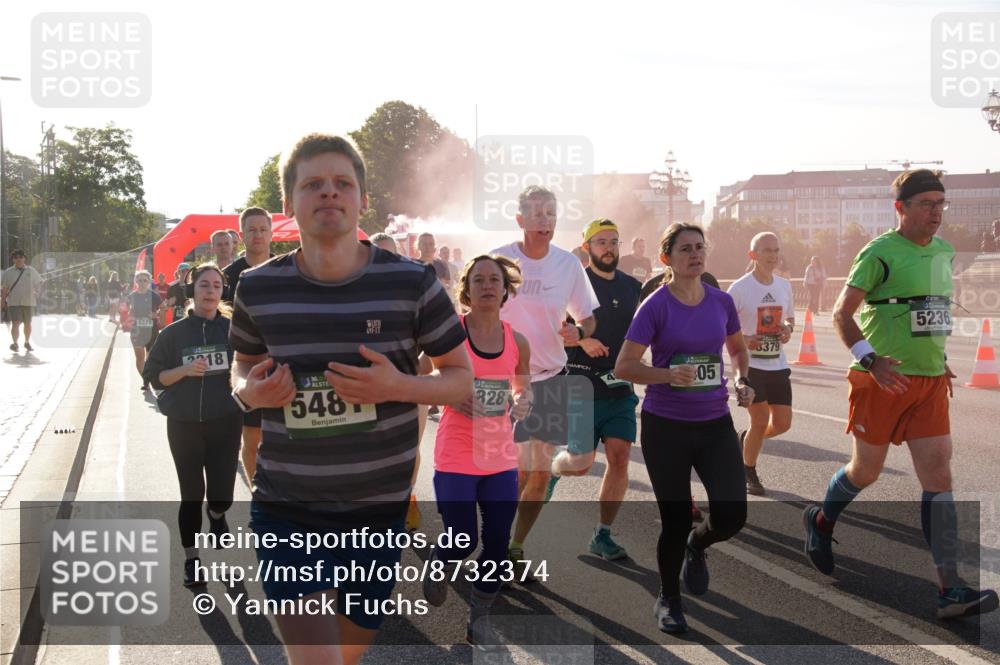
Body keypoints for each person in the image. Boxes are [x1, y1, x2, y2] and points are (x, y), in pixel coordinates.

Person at [228, 133, 471, 665]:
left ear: (362, 199)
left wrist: (398, 387)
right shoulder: (257, 288)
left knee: (345, 654)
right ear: (289, 203)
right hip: (288, 508)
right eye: (313, 184)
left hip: (378, 512)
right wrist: (249, 390)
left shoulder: (412, 283)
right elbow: (242, 362)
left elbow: (461, 380)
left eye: (342, 183)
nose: (329, 192)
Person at [803, 169, 999, 619]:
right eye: (926, 203)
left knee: (939, 475)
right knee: (865, 471)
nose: (936, 212)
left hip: (928, 383)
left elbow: (930, 310)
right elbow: (841, 314)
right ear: (901, 208)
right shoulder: (879, 253)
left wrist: (937, 358)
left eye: (940, 203)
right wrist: (871, 360)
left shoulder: (944, 252)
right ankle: (820, 519)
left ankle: (950, 589)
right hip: (880, 380)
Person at [615, 222, 753, 634]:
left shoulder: (721, 301)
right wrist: (667, 375)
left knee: (732, 515)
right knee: (675, 520)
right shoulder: (655, 306)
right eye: (685, 249)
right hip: (666, 427)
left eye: (699, 247)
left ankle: (699, 542)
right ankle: (669, 598)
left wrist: (742, 380)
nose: (695, 254)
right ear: (667, 259)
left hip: (714, 423)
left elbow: (738, 349)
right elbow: (624, 366)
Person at [423, 254, 532, 650]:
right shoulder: (451, 334)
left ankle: (479, 618)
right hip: (456, 452)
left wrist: (522, 401)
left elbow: (522, 385)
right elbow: (418, 375)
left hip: (499, 454)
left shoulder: (517, 340)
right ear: (466, 290)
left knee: (498, 541)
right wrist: (451, 393)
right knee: (462, 539)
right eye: (479, 280)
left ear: (505, 289)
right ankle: (440, 559)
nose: (487, 285)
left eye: (494, 280)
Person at [491, 185, 598, 580]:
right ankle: (492, 544)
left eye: (550, 213)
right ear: (520, 219)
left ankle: (514, 548)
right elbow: (471, 313)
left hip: (550, 379)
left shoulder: (568, 264)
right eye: (536, 213)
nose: (544, 220)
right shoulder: (499, 261)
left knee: (538, 474)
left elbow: (588, 318)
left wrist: (579, 332)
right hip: (503, 381)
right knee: (511, 473)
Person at [142, 263, 242, 586]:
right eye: (204, 285)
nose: (210, 291)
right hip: (184, 424)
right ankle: (192, 560)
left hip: (226, 422)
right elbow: (155, 377)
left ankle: (217, 514)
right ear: (192, 290)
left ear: (222, 292)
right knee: (191, 494)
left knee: (222, 495)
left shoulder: (234, 331)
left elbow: (250, 368)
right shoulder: (172, 334)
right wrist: (184, 370)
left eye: (216, 286)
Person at [549, 219, 641, 561]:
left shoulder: (633, 286)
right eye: (601, 242)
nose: (609, 247)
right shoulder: (573, 284)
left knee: (619, 456)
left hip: (619, 387)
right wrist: (582, 340)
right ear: (586, 247)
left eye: (614, 241)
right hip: (580, 385)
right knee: (580, 464)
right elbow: (550, 328)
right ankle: (554, 468)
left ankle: (602, 534)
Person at [727, 232, 795, 495]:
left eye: (776, 250)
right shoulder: (739, 289)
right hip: (751, 366)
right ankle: (749, 472)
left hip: (777, 364)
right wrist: (744, 339)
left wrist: (787, 329)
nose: (773, 255)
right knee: (760, 419)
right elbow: (722, 325)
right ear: (753, 255)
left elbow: (790, 318)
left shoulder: (784, 286)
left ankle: (747, 440)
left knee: (782, 424)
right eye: (767, 250)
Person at [222, 207, 276, 486]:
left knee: (281, 439)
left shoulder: (286, 268)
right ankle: (258, 494)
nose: (258, 235)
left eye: (263, 229)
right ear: (241, 235)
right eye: (252, 230)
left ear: (271, 233)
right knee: (252, 438)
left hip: (282, 364)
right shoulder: (229, 276)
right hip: (246, 365)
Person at [128, 270, 167, 391]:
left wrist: (157, 316)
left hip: (151, 331)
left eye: (145, 280)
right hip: (137, 331)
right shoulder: (132, 296)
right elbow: (127, 310)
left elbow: (163, 308)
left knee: (149, 359)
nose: (142, 282)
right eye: (140, 280)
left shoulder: (154, 296)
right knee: (140, 359)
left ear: (149, 282)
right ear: (136, 281)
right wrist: (130, 314)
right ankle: (145, 381)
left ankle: (147, 379)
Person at [2, 249, 43, 352]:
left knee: (28, 324)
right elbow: (4, 289)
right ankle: (15, 343)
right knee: (15, 323)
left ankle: (27, 342)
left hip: (29, 302)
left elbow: (39, 283)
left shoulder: (31, 270)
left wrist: (37, 292)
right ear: (13, 260)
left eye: (21, 257)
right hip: (13, 302)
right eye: (16, 257)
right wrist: (2, 302)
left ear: (24, 259)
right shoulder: (8, 272)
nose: (19, 259)